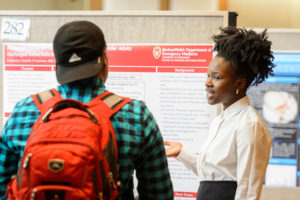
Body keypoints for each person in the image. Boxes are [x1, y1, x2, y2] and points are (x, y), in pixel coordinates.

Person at [0, 20, 173, 200]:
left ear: (57, 65)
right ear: (104, 60)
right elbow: (160, 194)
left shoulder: (24, 111)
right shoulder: (136, 115)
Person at [164, 27, 275, 200]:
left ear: (239, 83)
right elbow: (212, 175)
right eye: (208, 75)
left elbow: (248, 191)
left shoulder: (249, 125)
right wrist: (181, 152)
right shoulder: (220, 121)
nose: (207, 82)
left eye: (216, 77)